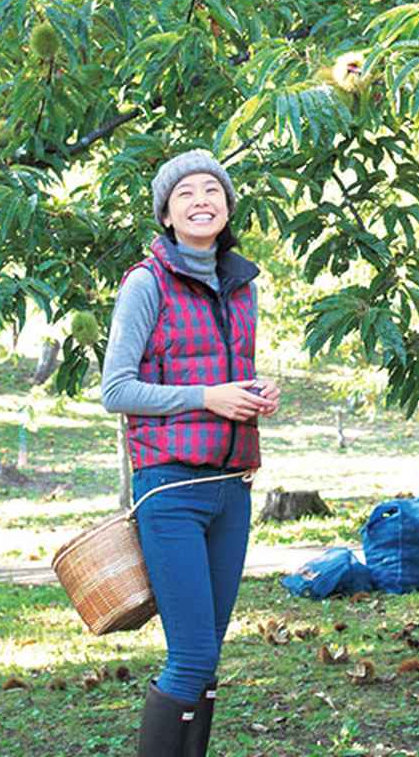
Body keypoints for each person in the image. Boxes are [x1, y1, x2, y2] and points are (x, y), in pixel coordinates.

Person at [101, 149, 280, 757]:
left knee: (209, 658)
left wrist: (255, 393)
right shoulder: (146, 283)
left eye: (212, 191)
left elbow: (226, 374)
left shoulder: (241, 285)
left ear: (227, 207)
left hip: (233, 488)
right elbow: (116, 390)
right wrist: (208, 396)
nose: (201, 201)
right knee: (192, 655)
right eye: (185, 194)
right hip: (172, 490)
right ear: (166, 215)